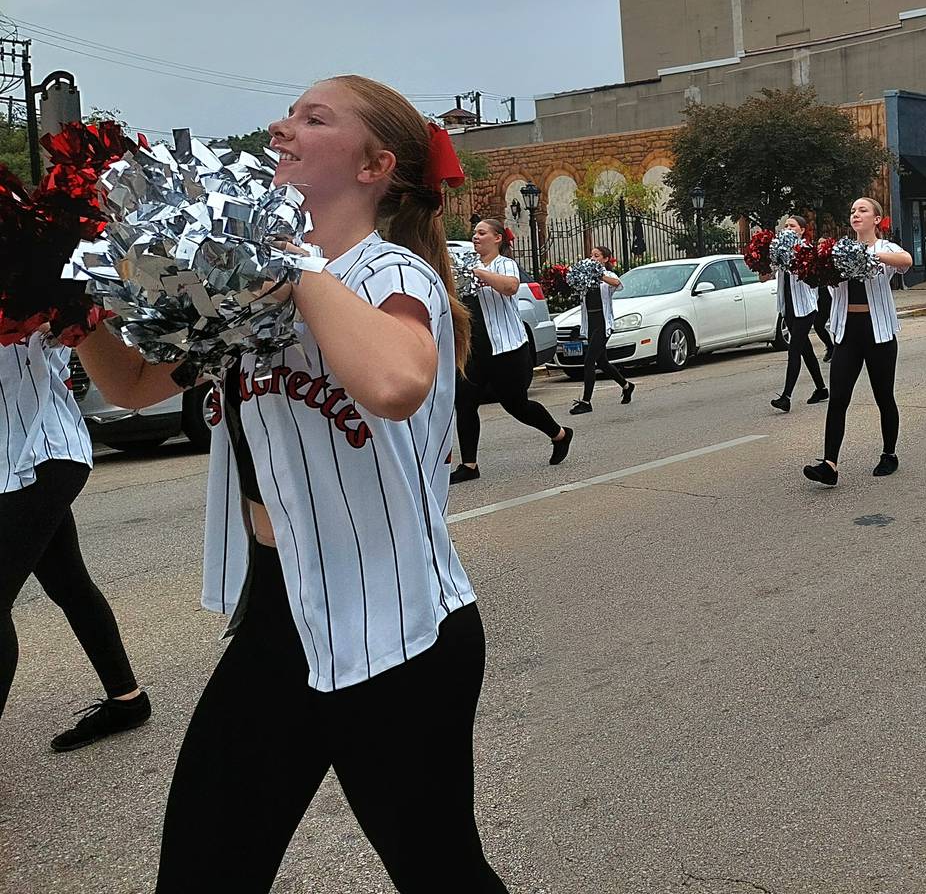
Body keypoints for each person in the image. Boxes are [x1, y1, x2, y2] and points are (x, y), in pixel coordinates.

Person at [77, 76, 508, 891]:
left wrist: (284, 261)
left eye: (313, 118)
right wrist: (67, 304)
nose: (282, 128)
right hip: (281, 620)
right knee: (202, 871)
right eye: (287, 114)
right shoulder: (245, 286)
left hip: (400, 631)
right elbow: (133, 383)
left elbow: (393, 384)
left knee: (440, 872)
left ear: (376, 165)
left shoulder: (393, 275)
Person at [1, 331, 150, 752]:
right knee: (68, 583)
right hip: (15, 458)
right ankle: (127, 699)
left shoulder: (27, 272)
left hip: (39, 453)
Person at [450, 217, 572, 483]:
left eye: (482, 233)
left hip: (508, 349)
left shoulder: (504, 265)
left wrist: (479, 272)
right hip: (475, 351)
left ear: (497, 238)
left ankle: (560, 434)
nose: (476, 237)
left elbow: (510, 287)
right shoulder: (464, 269)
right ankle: (469, 465)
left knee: (516, 405)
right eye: (474, 233)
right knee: (465, 403)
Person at [802, 198, 913, 486]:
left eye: (863, 210)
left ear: (877, 219)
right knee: (838, 398)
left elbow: (906, 261)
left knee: (883, 396)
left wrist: (870, 257)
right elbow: (816, 273)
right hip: (847, 332)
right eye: (852, 211)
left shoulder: (884, 248)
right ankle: (829, 464)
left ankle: (889, 454)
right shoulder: (839, 251)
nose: (856, 214)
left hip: (879, 333)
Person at [765, 215, 829, 413]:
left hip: (805, 308)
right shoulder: (780, 249)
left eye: (792, 226)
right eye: (785, 225)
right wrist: (764, 262)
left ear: (802, 230)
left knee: (794, 350)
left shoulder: (807, 250)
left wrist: (793, 259)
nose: (788, 228)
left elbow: (813, 279)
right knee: (806, 351)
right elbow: (766, 275)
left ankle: (786, 397)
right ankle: (821, 389)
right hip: (788, 308)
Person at [570, 244, 634, 415]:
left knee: (589, 361)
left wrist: (599, 276)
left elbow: (618, 284)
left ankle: (586, 401)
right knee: (602, 362)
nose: (593, 259)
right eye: (591, 256)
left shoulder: (608, 275)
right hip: (590, 323)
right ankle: (627, 386)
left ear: (605, 259)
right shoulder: (586, 277)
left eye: (597, 256)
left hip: (603, 324)